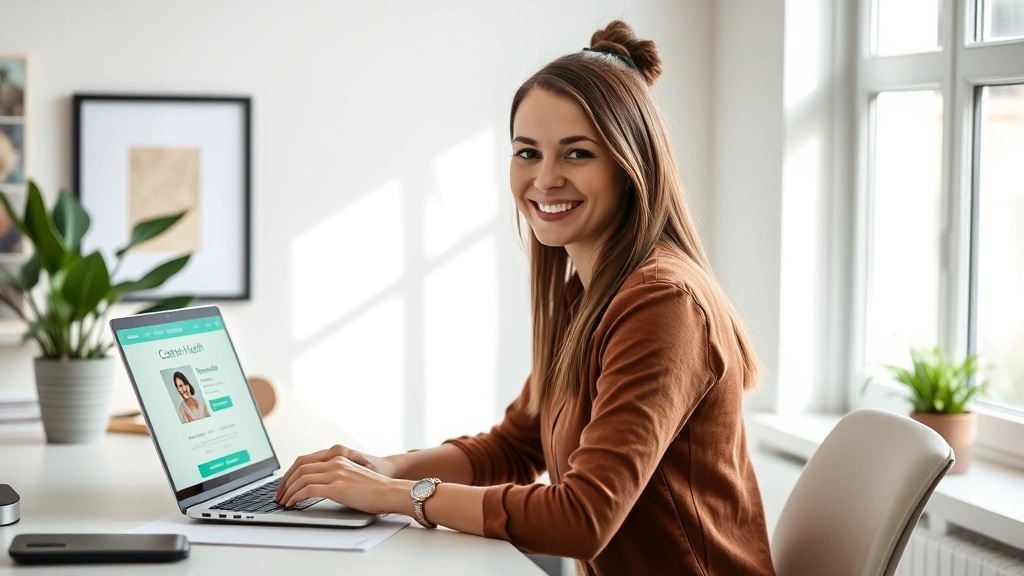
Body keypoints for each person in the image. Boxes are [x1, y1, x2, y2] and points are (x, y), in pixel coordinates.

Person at [275, 20, 775, 575]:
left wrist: (402, 495)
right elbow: (515, 446)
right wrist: (383, 468)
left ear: (632, 166)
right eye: (527, 152)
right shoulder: (587, 292)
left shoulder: (663, 303)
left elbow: (582, 517)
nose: (545, 178)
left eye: (578, 153)